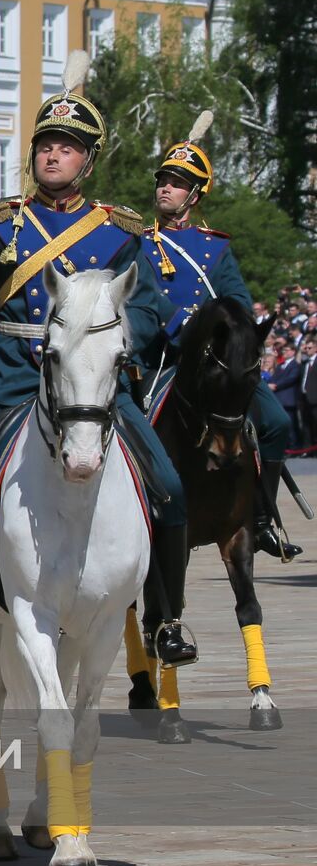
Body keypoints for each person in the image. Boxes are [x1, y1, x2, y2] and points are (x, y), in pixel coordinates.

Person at [0, 52, 196, 670]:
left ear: (88, 160)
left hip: (91, 384)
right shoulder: (3, 225)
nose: (52, 156)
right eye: (45, 145)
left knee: (167, 484)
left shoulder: (119, 232)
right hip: (9, 375)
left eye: (67, 148)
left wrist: (115, 345)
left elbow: (151, 310)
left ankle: (168, 618)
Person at [142, 110, 301, 559]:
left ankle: (262, 519)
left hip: (217, 360)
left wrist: (231, 337)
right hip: (168, 357)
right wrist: (181, 327)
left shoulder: (216, 246)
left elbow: (240, 301)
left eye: (175, 182)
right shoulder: (139, 242)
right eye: (163, 179)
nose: (164, 188)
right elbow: (144, 295)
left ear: (194, 194)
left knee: (276, 422)